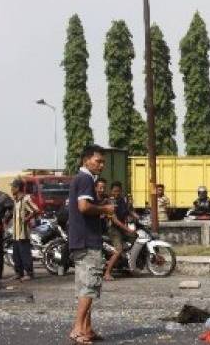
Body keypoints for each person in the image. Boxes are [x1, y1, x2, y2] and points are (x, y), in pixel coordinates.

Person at [67, 145, 115, 344]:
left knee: (84, 287)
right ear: (86, 160)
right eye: (98, 161)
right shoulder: (86, 179)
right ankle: (77, 329)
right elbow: (84, 207)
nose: (101, 165)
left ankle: (87, 329)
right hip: (88, 241)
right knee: (89, 286)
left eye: (103, 162)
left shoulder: (81, 179)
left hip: (79, 240)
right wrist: (105, 209)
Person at [103, 182, 137, 281]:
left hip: (122, 228)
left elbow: (128, 212)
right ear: (111, 191)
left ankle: (126, 264)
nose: (116, 193)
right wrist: (128, 229)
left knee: (136, 237)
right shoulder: (110, 202)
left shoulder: (122, 200)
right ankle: (107, 273)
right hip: (113, 229)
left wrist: (137, 217)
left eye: (118, 191)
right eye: (115, 191)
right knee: (119, 250)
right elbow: (115, 220)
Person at [10, 179, 40, 281]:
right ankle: (19, 273)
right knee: (16, 254)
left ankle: (29, 273)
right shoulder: (15, 200)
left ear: (17, 188)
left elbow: (36, 210)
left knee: (25, 254)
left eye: (13, 187)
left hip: (23, 232)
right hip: (16, 233)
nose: (11, 189)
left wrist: (27, 219)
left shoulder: (25, 199)